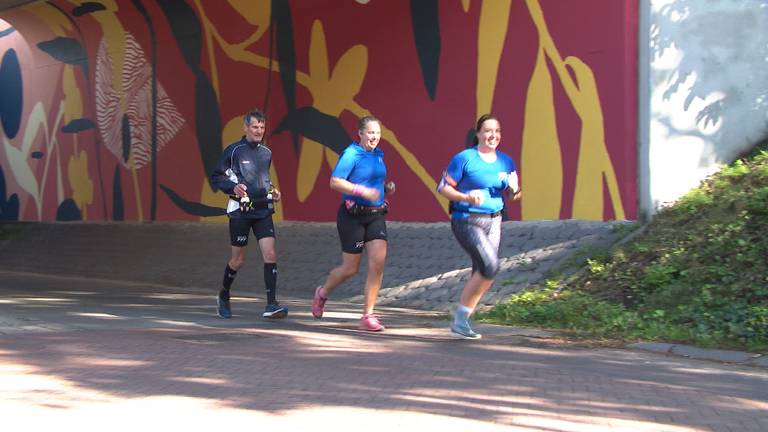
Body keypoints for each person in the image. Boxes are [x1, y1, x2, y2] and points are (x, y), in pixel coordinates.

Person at [437, 114, 522, 339]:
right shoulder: (464, 159)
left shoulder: (506, 161)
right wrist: (466, 198)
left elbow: (515, 194)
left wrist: (514, 190)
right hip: (466, 219)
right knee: (490, 265)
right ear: (478, 134)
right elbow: (443, 188)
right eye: (487, 131)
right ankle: (460, 319)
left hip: (495, 220)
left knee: (483, 271)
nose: (492, 135)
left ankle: (463, 321)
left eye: (497, 131)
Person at [311, 116, 395, 331]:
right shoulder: (351, 154)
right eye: (370, 133)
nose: (375, 137)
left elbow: (370, 179)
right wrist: (361, 191)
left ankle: (368, 315)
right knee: (350, 269)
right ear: (360, 133)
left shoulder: (378, 154)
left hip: (376, 215)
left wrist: (385, 189)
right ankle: (323, 292)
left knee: (377, 264)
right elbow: (335, 182)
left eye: (377, 133)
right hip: (352, 216)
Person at [210, 109, 288, 319]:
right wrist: (231, 188)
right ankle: (224, 295)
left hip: (263, 210)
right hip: (240, 212)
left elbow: (262, 178)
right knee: (238, 260)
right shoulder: (234, 151)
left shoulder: (266, 152)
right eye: (255, 127)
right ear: (246, 128)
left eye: (262, 127)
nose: (259, 131)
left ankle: (271, 304)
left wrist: (273, 191)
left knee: (270, 254)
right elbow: (216, 176)